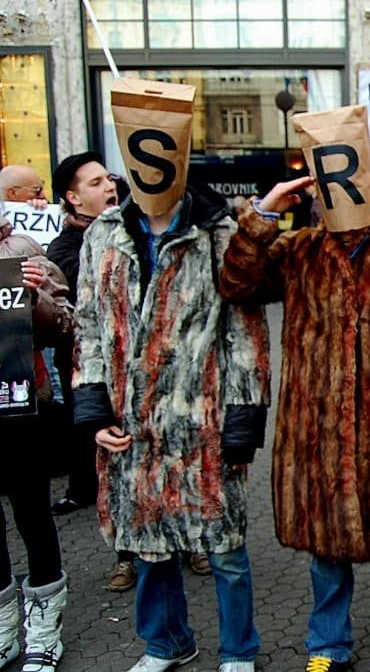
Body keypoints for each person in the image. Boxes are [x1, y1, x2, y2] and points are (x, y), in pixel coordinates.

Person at [220, 175, 370, 672]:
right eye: (324, 190)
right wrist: (265, 209)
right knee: (324, 544)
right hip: (314, 428)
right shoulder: (298, 250)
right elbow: (236, 284)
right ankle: (328, 644)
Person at [74, 173, 270, 671]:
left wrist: (244, 417)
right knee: (148, 543)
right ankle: (166, 642)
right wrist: (93, 407)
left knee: (224, 546)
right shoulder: (104, 234)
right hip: (130, 422)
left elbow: (245, 330)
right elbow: (89, 323)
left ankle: (238, 651)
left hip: (203, 416)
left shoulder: (215, 233)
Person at [45, 154, 142, 594]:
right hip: (104, 378)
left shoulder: (132, 228)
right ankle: (126, 554)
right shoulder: (67, 246)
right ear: (72, 196)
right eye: (96, 181)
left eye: (110, 179)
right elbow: (78, 313)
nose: (109, 187)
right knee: (118, 471)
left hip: (147, 375)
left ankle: (188, 545)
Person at [0, 202, 71, 672]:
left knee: (32, 515)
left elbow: (65, 322)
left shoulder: (19, 249)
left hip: (19, 410)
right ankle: (5, 629)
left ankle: (44, 632)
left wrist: (36, 297)